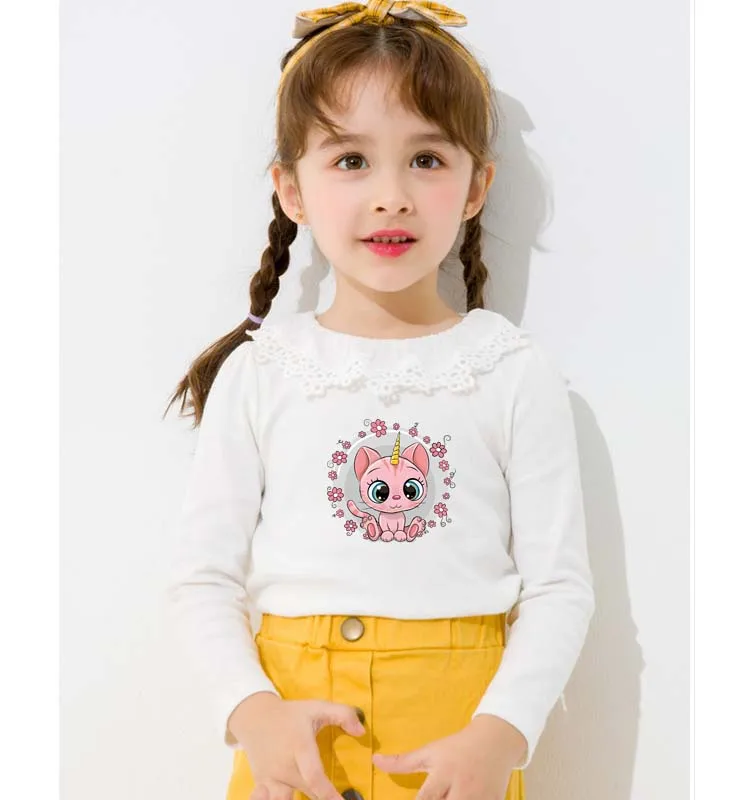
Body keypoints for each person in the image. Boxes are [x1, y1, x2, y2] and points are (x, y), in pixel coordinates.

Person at [164, 2, 596, 799]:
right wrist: (253, 713)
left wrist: (501, 734)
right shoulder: (264, 371)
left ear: (477, 185)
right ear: (291, 189)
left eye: (427, 159)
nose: (392, 195)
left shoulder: (510, 370)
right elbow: (203, 580)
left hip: (460, 741)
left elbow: (559, 587)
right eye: (351, 160)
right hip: (293, 746)